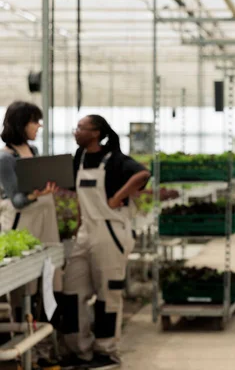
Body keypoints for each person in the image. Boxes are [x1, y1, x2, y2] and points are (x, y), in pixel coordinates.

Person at [60, 115, 150, 370]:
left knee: (107, 294)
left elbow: (143, 173)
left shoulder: (115, 159)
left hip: (110, 232)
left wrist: (117, 197)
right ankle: (80, 350)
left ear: (96, 132)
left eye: (81, 128)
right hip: (85, 233)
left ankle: (106, 352)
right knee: (72, 293)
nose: (76, 132)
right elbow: (78, 195)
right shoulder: (78, 158)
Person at [0, 101, 61, 367]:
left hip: (44, 223)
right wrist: (38, 193)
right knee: (23, 289)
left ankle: (41, 347)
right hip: (21, 224)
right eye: (35, 121)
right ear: (21, 123)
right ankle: (26, 350)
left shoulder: (33, 150)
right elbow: (17, 201)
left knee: (45, 283)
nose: (39, 126)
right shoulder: (5, 158)